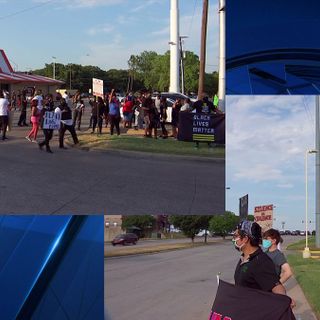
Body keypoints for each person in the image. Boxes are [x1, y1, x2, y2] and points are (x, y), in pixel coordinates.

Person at [233, 220, 289, 295]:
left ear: (245, 239)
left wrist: (284, 301)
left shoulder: (261, 261)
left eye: (236, 236)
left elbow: (278, 289)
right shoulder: (244, 258)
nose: (234, 240)